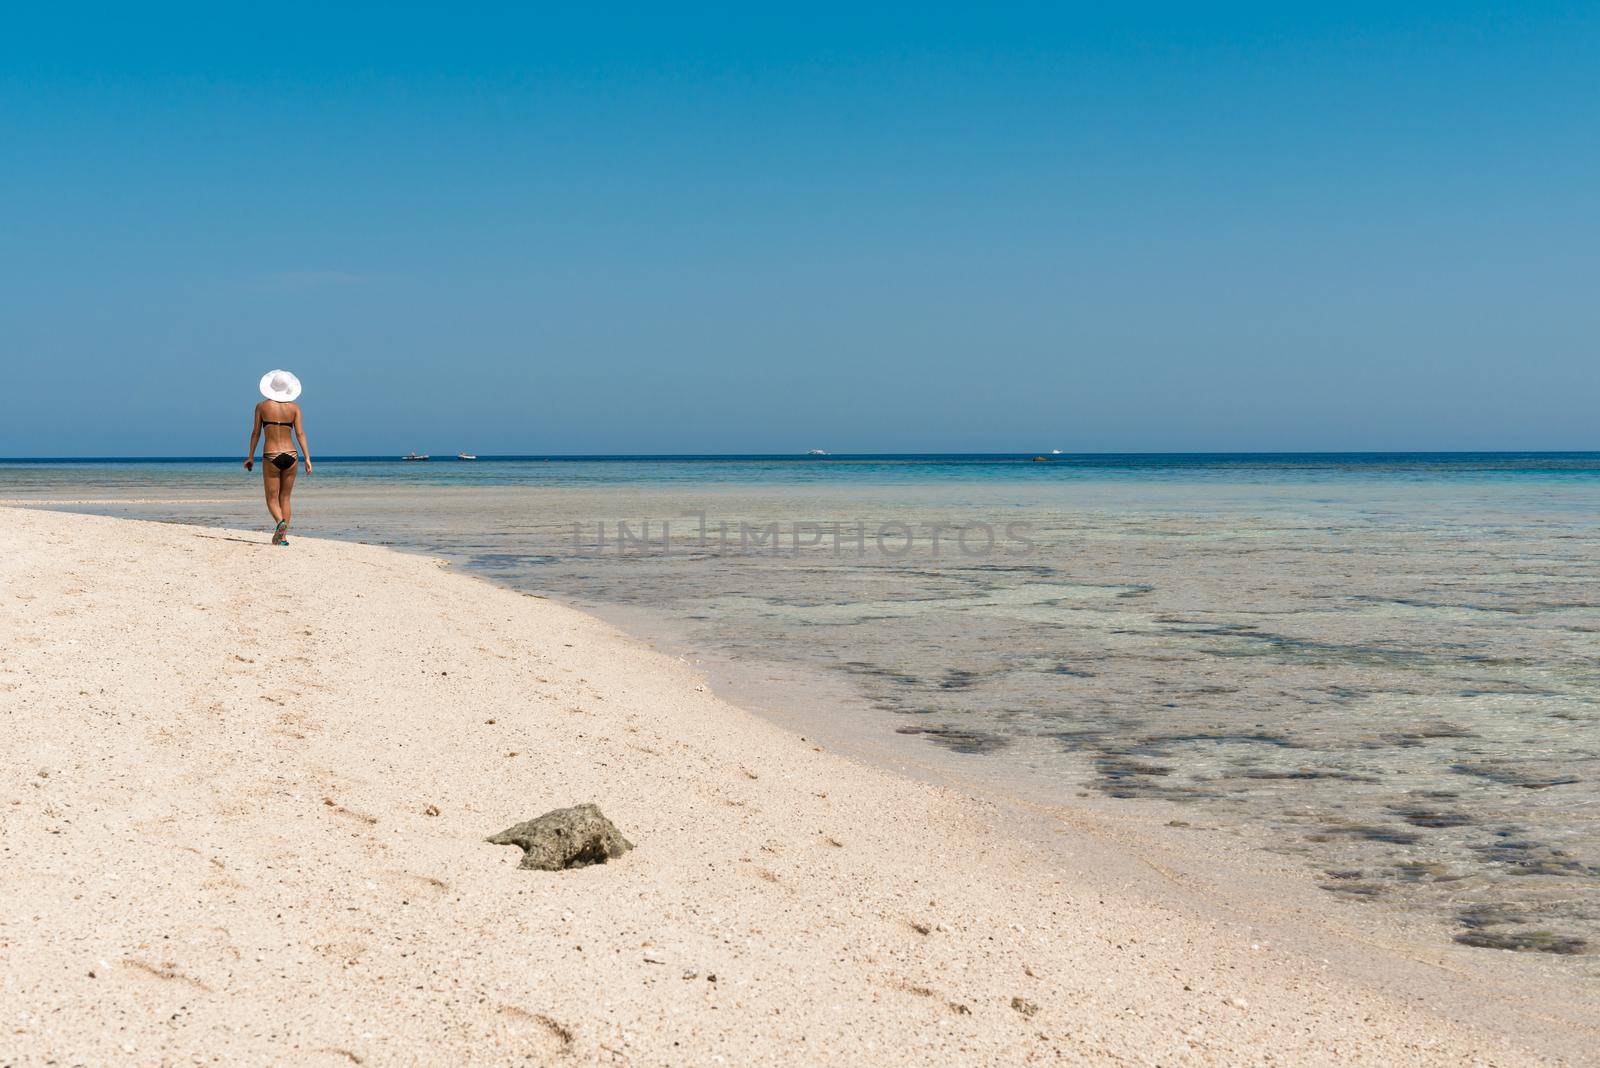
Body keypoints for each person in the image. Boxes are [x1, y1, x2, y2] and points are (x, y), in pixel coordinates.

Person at [244, 370, 312, 545]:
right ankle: (283, 537)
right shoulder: (295, 408)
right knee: (286, 498)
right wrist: (308, 459)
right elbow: (300, 434)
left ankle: (280, 523)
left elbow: (255, 433)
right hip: (292, 455)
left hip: (271, 454)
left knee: (271, 498)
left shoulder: (261, 406)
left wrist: (250, 456)